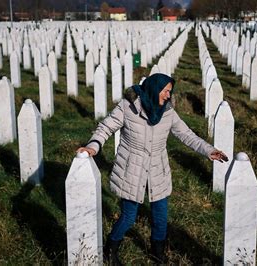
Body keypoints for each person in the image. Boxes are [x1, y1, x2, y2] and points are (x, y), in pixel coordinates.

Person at [77, 73, 228, 265]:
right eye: (165, 91)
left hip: (158, 170)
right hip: (131, 169)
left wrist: (209, 150)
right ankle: (110, 248)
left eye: (170, 92)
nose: (168, 96)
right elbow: (105, 127)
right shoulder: (127, 107)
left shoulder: (168, 112)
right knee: (129, 216)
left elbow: (187, 134)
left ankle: (158, 253)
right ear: (154, 88)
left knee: (160, 217)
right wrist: (93, 146)